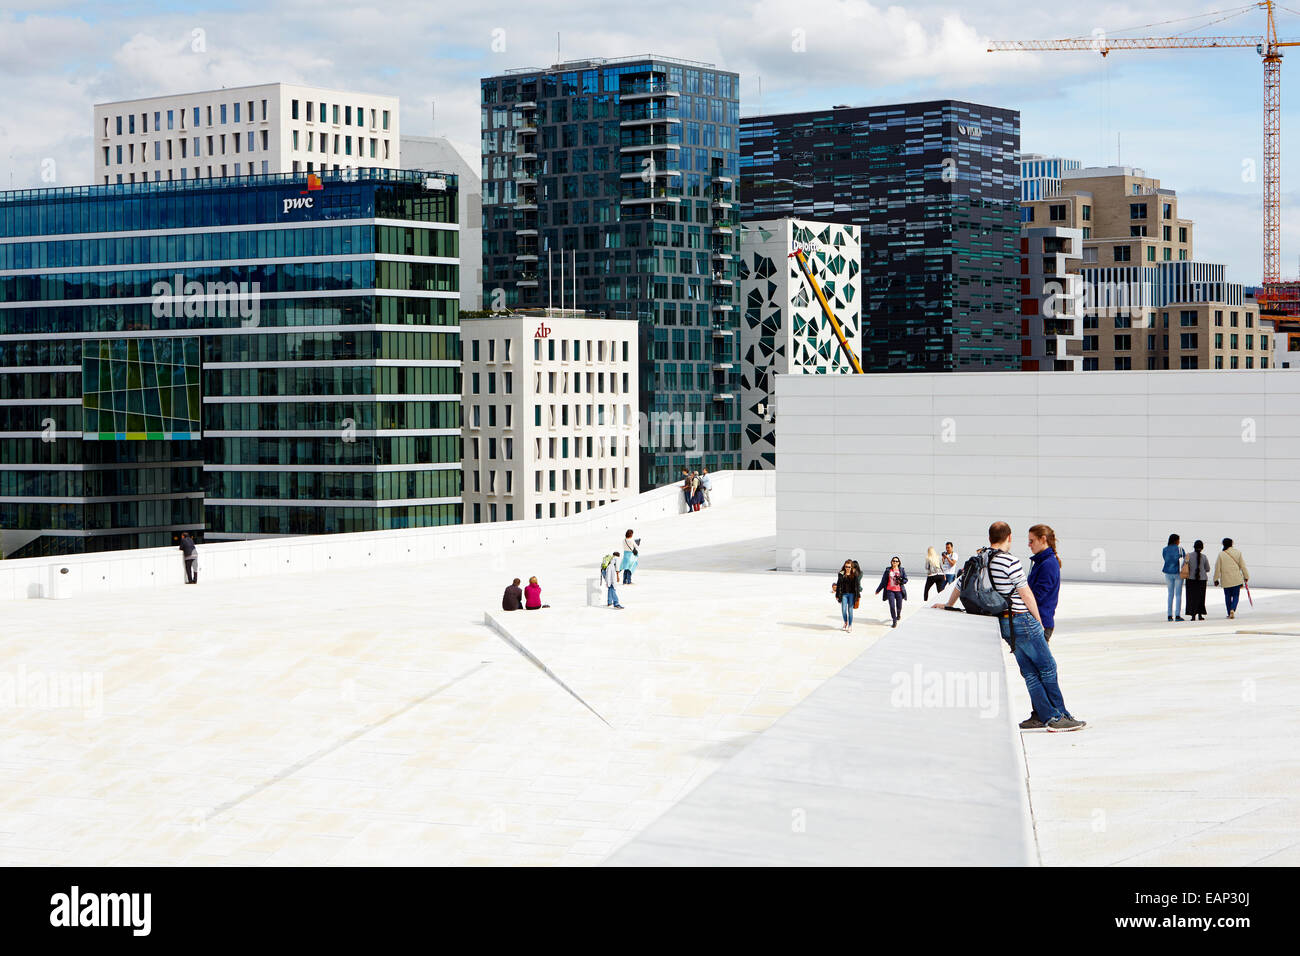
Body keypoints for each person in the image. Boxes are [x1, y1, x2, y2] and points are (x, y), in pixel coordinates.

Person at [934, 521, 1086, 733]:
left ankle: (1048, 716)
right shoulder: (1010, 562)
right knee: (1048, 667)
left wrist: (948, 605)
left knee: (1030, 672)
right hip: (1022, 619)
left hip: (1003, 622)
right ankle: (1056, 717)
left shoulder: (979, 559)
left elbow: (960, 583)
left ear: (990, 538)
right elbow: (1026, 593)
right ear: (1009, 537)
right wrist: (1039, 622)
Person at [1024, 524, 1064, 728]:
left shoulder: (1047, 564)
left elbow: (1037, 596)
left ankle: (1045, 714)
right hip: (1040, 622)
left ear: (1043, 539)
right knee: (1037, 671)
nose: (1028, 545)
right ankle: (1040, 713)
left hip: (1042, 623)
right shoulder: (1042, 562)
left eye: (1032, 540)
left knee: (1040, 672)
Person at [1213, 537, 1249, 620]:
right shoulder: (1238, 553)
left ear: (1223, 544)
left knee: (1227, 596)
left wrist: (1216, 579)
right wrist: (1246, 576)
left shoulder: (1221, 554)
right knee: (1236, 596)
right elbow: (1243, 566)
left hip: (1226, 579)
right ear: (1232, 543)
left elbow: (1217, 568)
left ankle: (1229, 612)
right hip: (1236, 579)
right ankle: (1233, 609)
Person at [874, 556, 908, 628]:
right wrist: (878, 590)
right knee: (892, 606)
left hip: (899, 591)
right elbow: (883, 581)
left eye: (896, 561)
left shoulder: (901, 570)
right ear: (891, 562)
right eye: (893, 561)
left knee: (899, 607)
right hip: (890, 591)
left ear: (898, 563)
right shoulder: (888, 570)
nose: (895, 562)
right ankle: (894, 620)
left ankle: (898, 615)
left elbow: (906, 579)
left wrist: (901, 580)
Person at [831, 558, 861, 632]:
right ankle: (845, 622)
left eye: (849, 567)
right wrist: (837, 595)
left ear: (851, 567)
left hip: (851, 595)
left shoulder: (854, 574)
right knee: (843, 610)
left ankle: (850, 625)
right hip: (844, 594)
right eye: (846, 567)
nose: (847, 568)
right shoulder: (841, 574)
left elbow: (857, 586)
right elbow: (839, 585)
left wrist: (857, 596)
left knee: (850, 610)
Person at [1162, 533, 1186, 622]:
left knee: (1170, 594)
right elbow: (1185, 560)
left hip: (1168, 572)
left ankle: (1169, 615)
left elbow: (1165, 559)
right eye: (1178, 540)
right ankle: (1177, 615)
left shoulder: (1165, 549)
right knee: (1178, 594)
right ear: (1176, 540)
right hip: (1178, 573)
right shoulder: (1180, 549)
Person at [1184, 540, 1210, 621]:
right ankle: (1200, 615)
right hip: (1202, 580)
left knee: (1191, 598)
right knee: (1201, 597)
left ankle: (1192, 615)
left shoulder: (1188, 556)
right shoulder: (1204, 557)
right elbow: (1208, 569)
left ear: (1194, 547)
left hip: (1190, 580)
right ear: (1202, 548)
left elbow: (1183, 566)